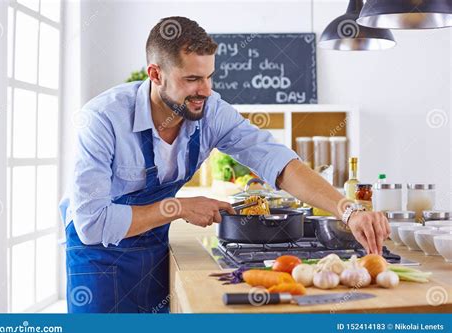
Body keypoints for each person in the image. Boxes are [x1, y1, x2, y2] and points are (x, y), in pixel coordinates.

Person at [59, 16, 390, 313]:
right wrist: (178, 208)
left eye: (209, 77)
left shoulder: (210, 111)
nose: (205, 90)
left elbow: (278, 162)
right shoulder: (103, 120)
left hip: (151, 250)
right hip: (99, 259)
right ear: (155, 74)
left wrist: (348, 210)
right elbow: (91, 223)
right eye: (192, 79)